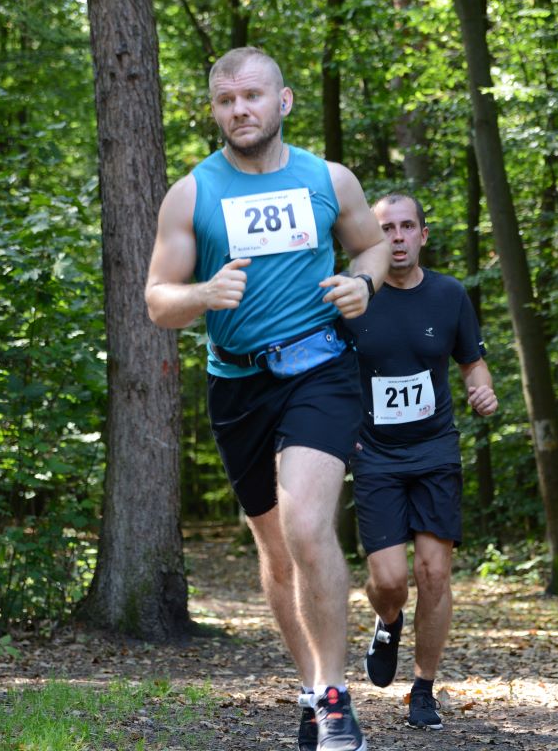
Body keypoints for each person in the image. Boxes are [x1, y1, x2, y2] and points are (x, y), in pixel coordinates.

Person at [145, 46, 389, 751]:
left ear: (283, 102)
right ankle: (311, 688)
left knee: (307, 526)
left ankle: (336, 699)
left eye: (252, 96)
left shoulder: (328, 178)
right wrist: (202, 292)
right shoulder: (192, 193)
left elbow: (371, 247)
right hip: (238, 386)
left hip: (320, 370)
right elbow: (158, 300)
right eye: (226, 101)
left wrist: (363, 284)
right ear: (214, 110)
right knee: (279, 554)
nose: (240, 110)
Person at [341, 193, 498, 731]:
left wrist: (482, 390)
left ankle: (423, 689)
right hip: (375, 454)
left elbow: (473, 363)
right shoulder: (354, 296)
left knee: (434, 574)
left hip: (435, 451)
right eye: (386, 228)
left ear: (423, 235)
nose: (398, 237)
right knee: (390, 582)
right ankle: (388, 621)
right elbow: (327, 373)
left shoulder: (449, 295)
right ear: (373, 237)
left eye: (407, 226)